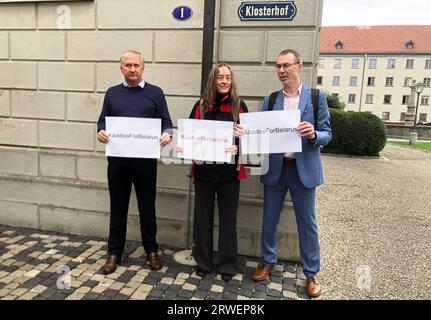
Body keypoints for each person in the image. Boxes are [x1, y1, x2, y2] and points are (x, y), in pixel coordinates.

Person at [249, 49, 332, 298]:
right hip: (276, 169)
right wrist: (247, 134)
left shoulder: (316, 97)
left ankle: (311, 273)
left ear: (299, 66)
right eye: (278, 66)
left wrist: (314, 134)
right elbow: (261, 133)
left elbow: (328, 133)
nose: (281, 71)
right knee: (269, 219)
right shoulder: (271, 98)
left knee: (307, 224)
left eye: (286, 65)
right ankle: (267, 261)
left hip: (302, 170)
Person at [97, 50, 173, 274]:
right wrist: (100, 132)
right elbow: (102, 121)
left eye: (136, 65)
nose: (132, 69)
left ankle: (151, 251)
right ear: (121, 68)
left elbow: (166, 122)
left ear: (143, 68)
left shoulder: (155, 93)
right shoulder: (112, 93)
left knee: (146, 207)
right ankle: (114, 253)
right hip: (118, 161)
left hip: (145, 162)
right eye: (128, 65)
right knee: (117, 207)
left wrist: (167, 134)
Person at [177, 63, 248, 282]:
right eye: (220, 77)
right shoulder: (200, 106)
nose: (224, 81)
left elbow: (252, 139)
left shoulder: (240, 106)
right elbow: (188, 135)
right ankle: (203, 262)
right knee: (203, 219)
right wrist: (182, 146)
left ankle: (227, 265)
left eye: (228, 77)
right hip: (204, 172)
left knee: (228, 220)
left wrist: (240, 142)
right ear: (213, 81)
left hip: (229, 173)